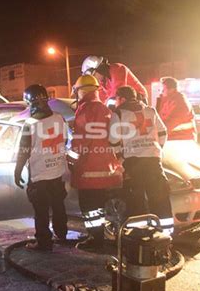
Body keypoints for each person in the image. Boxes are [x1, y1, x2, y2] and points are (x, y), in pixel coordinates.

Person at [68, 75, 123, 251]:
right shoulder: (103, 108)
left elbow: (80, 142)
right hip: (107, 168)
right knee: (99, 207)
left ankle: (95, 239)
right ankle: (99, 236)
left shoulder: (85, 110)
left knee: (89, 207)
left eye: (76, 91)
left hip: (89, 169)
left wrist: (70, 160)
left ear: (81, 90)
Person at [109, 86, 174, 235]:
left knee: (135, 200)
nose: (116, 102)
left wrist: (120, 159)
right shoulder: (150, 111)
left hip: (133, 163)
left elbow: (113, 140)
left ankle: (140, 236)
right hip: (153, 161)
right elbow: (163, 132)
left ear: (122, 99)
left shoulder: (118, 114)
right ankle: (165, 236)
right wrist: (157, 149)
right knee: (159, 198)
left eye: (117, 99)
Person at [14, 84, 68, 252]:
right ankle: (62, 233)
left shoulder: (30, 124)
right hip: (57, 171)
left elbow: (24, 151)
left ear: (31, 103)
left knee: (41, 210)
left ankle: (44, 242)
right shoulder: (59, 117)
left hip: (39, 174)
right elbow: (64, 140)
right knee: (58, 204)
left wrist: (18, 170)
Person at [81, 56, 147, 104]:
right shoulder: (102, 82)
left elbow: (118, 91)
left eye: (94, 75)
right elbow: (100, 99)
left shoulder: (118, 69)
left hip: (138, 98)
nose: (94, 79)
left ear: (100, 69)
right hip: (123, 101)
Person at [156, 77, 197, 141]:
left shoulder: (180, 102)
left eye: (164, 89)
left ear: (171, 89)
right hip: (175, 139)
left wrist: (154, 134)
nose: (162, 91)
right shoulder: (169, 101)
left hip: (182, 140)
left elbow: (170, 123)